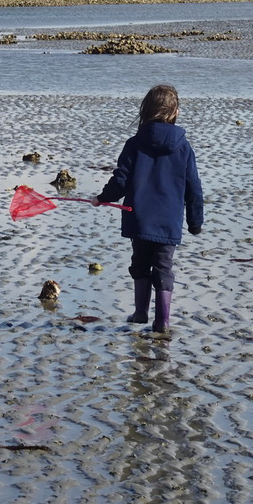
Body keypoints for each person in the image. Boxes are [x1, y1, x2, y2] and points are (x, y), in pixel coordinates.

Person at [93, 85, 204, 334]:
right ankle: (162, 320)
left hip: (139, 219)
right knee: (163, 267)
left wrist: (102, 197)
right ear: (175, 111)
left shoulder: (135, 143)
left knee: (140, 264)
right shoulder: (184, 147)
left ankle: (141, 311)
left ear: (146, 110)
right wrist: (195, 222)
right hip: (168, 222)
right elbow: (194, 187)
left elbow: (120, 179)